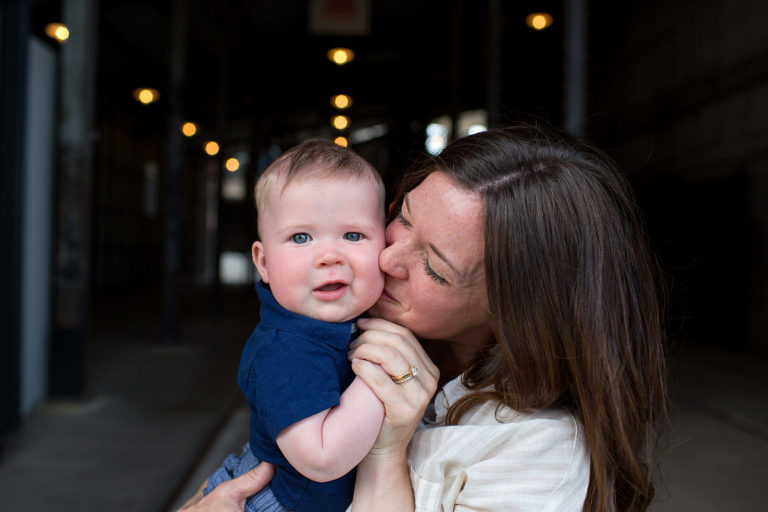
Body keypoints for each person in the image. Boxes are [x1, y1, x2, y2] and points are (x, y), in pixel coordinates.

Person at [181, 122, 668, 512]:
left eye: (434, 268)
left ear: (518, 313)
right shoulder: (337, 329)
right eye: (402, 219)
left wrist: (385, 453)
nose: (386, 258)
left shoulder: (539, 455)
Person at [201, 141, 387, 512]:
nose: (330, 256)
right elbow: (322, 458)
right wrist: (383, 373)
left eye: (353, 235)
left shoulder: (344, 325)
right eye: (301, 237)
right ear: (263, 262)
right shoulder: (285, 350)